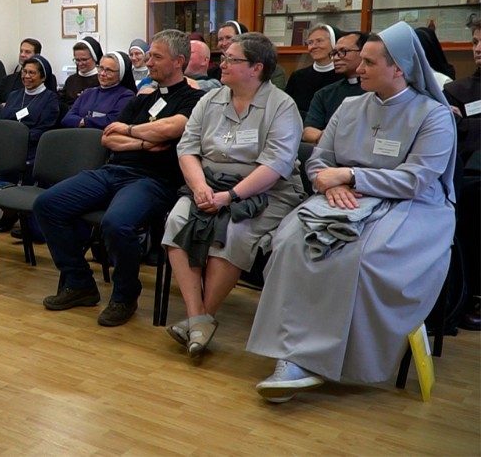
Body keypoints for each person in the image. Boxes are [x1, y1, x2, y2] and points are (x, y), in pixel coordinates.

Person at [247, 21, 457, 402]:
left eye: (369, 63)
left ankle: (328, 359)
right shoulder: (348, 106)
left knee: (363, 257)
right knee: (292, 240)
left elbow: (417, 179)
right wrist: (335, 181)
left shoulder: (433, 116)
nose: (358, 69)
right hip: (341, 196)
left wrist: (351, 175)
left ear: (400, 69)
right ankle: (290, 354)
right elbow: (317, 161)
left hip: (411, 206)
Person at [34, 30, 204, 327]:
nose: (148, 62)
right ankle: (79, 282)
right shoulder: (143, 99)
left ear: (178, 61)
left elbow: (173, 128)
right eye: (149, 55)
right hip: (114, 170)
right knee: (48, 204)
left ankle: (125, 294)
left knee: (116, 223)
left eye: (156, 57)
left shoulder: (195, 99)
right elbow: (108, 137)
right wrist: (141, 141)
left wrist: (131, 132)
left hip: (154, 180)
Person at [162, 32, 305, 357]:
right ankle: (199, 317)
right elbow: (187, 147)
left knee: (235, 231)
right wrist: (200, 187)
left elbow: (277, 164)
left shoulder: (282, 106)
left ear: (256, 68)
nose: (221, 64)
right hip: (209, 183)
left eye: (231, 59)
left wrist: (230, 197)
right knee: (178, 219)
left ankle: (200, 319)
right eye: (223, 58)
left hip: (267, 190)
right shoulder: (210, 100)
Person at [0, 55, 61, 234]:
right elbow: (3, 122)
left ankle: (28, 217)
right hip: (10, 147)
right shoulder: (15, 95)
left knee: (27, 170)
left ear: (43, 76)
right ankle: (9, 211)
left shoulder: (50, 98)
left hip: (35, 148)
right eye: (24, 72)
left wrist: (19, 139)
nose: (26, 76)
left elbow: (44, 129)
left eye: (32, 73)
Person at [444, 19, 480, 330]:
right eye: (476, 41)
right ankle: (466, 294)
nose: (478, 48)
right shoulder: (457, 91)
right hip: (468, 172)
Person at [302, 31, 368, 144]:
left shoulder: (378, 91)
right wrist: (330, 138)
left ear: (364, 53)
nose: (335, 58)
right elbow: (308, 130)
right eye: (334, 53)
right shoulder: (325, 93)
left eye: (343, 51)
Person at [61, 51, 135, 129]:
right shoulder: (88, 92)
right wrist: (91, 121)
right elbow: (67, 119)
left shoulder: (126, 96)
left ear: (121, 73)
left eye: (109, 70)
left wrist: (83, 121)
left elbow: (112, 121)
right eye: (101, 68)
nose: (102, 74)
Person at [285, 24, 343, 119]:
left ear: (334, 43)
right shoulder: (298, 77)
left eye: (319, 41)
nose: (314, 46)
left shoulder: (343, 75)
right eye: (310, 43)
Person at [208, 21, 286, 89]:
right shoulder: (215, 71)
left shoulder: (273, 71)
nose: (224, 43)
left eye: (228, 38)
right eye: (220, 39)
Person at [59, 36, 104, 115]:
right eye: (77, 60)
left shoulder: (102, 79)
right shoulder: (71, 80)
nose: (80, 63)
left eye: (84, 60)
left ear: (95, 58)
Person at [0, 38, 46, 102]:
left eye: (27, 52)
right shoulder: (7, 79)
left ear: (37, 56)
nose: (22, 55)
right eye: (21, 51)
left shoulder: (45, 79)